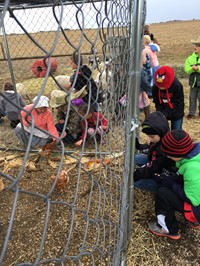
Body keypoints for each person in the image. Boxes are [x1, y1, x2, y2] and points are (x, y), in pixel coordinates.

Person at [148, 130, 200, 240]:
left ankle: (168, 229)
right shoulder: (194, 153)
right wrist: (172, 179)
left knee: (163, 193)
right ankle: (194, 221)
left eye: (169, 154)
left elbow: (193, 199)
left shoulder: (192, 168)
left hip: (196, 204)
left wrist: (172, 184)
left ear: (179, 153)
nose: (167, 156)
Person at [134, 111, 176, 192]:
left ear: (161, 132)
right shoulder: (158, 140)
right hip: (155, 163)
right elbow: (150, 147)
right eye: (148, 136)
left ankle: (159, 189)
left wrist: (136, 175)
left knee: (137, 183)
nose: (150, 139)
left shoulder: (164, 150)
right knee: (137, 158)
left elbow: (153, 167)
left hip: (163, 175)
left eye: (152, 137)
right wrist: (139, 146)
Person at [152, 66, 184, 130]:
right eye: (159, 86)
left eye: (163, 86)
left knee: (176, 132)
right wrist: (160, 114)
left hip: (176, 112)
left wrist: (166, 113)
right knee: (162, 131)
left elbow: (178, 103)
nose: (161, 88)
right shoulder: (155, 87)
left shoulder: (177, 86)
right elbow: (157, 101)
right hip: (162, 112)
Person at [184, 36, 200, 119]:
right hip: (193, 83)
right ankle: (191, 113)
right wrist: (191, 69)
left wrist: (198, 69)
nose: (195, 47)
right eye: (194, 44)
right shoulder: (189, 58)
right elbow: (186, 69)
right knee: (192, 98)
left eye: (197, 45)